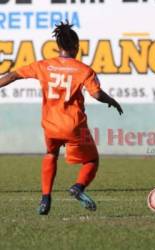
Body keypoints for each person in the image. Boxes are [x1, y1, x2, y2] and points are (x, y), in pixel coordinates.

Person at [0, 21, 123, 215]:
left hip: (50, 126)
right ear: (76, 46)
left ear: (58, 46)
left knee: (50, 154)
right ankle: (78, 187)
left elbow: (13, 75)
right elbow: (97, 94)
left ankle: (45, 198)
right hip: (74, 126)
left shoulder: (44, 65)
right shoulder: (84, 69)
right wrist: (112, 101)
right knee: (91, 161)